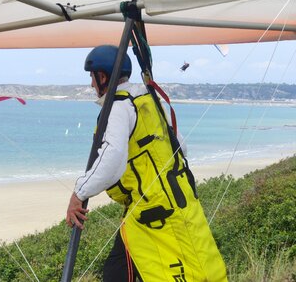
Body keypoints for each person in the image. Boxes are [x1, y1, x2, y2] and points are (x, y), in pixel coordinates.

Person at [66, 45, 227, 282]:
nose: (91, 85)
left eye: (92, 77)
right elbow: (181, 147)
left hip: (155, 212)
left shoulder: (118, 107)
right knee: (118, 270)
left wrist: (78, 193)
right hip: (165, 203)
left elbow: (112, 159)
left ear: (102, 76)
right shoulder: (149, 100)